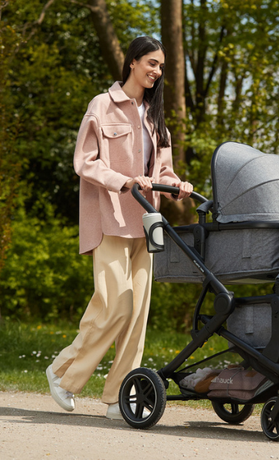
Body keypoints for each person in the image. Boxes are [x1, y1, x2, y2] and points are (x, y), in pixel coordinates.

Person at [46, 36, 193, 420]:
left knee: (137, 314)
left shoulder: (155, 116)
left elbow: (162, 170)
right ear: (132, 62)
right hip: (110, 218)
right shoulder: (102, 105)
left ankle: (117, 396)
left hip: (145, 223)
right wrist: (124, 180)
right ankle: (62, 373)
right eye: (151, 63)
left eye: (161, 66)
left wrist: (176, 184)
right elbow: (85, 161)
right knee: (116, 305)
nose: (156, 71)